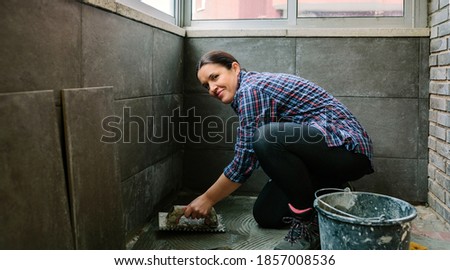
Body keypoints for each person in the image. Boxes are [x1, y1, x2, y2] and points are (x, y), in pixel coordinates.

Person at [183, 50, 374, 249]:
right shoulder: (246, 91)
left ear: (235, 68)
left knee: (266, 138)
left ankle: (307, 224)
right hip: (320, 156)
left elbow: (245, 161)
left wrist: (207, 199)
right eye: (206, 85)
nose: (212, 88)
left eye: (215, 77)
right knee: (266, 214)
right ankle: (333, 190)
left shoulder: (251, 89)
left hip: (347, 149)